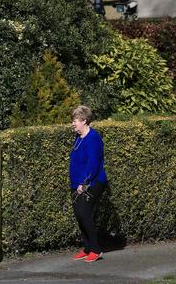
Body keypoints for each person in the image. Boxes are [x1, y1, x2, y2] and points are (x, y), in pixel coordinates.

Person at [69, 105, 108, 263]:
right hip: (77, 182)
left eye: (75, 121)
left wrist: (84, 183)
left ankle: (96, 250)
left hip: (92, 182)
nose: (73, 123)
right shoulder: (79, 137)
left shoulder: (93, 138)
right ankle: (87, 248)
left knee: (84, 214)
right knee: (79, 215)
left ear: (84, 121)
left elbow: (93, 163)